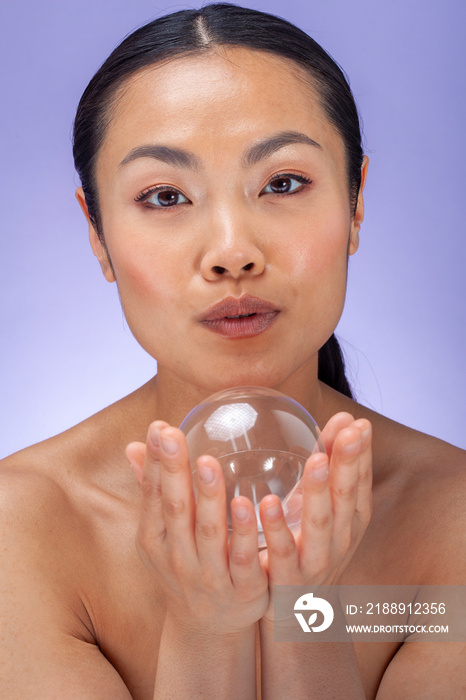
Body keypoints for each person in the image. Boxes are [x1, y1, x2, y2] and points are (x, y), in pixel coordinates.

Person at [1, 3, 464, 698]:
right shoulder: (21, 534)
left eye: (282, 183)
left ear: (357, 203)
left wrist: (304, 617)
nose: (232, 254)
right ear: (97, 235)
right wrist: (206, 624)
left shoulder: (451, 518)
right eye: (164, 196)